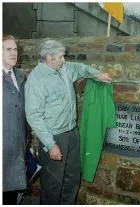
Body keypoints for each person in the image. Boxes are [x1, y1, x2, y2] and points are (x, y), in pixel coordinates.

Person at [25, 39, 112, 205]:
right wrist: (51, 145)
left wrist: (95, 74)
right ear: (49, 57)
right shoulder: (36, 80)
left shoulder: (64, 68)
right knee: (52, 185)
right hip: (54, 137)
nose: (64, 60)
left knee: (72, 179)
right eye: (61, 57)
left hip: (72, 133)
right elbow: (34, 116)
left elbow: (79, 68)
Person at [3, 34, 27, 204]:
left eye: (15, 49)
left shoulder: (20, 76)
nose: (13, 53)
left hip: (18, 145)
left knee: (12, 195)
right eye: (8, 49)